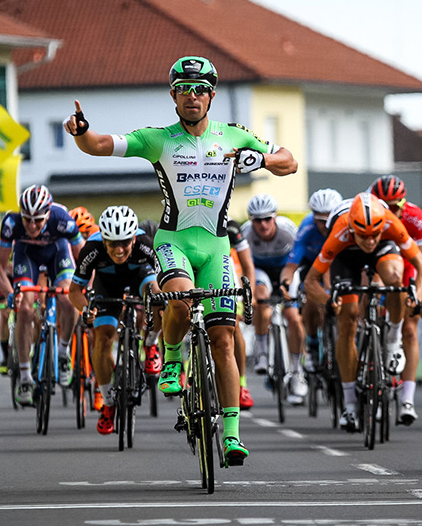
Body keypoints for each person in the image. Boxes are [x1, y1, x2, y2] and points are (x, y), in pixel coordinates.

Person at [64, 56, 297, 465]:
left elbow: (289, 162)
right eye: (185, 89)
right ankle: (172, 357)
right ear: (173, 94)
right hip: (174, 243)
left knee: (224, 338)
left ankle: (231, 435)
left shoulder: (235, 136)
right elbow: (100, 145)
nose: (193, 96)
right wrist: (82, 132)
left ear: (212, 94)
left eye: (201, 89)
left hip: (217, 248)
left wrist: (259, 159)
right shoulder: (159, 139)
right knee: (181, 299)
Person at [304, 192, 422, 432]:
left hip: (387, 248)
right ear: (353, 228)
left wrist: (418, 296)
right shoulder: (340, 231)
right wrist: (328, 299)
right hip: (346, 255)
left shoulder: (390, 224)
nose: (370, 240)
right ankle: (350, 404)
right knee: (348, 318)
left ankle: (393, 340)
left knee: (395, 280)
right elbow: (310, 282)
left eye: (374, 234)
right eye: (365, 236)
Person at [0, 185, 85, 406]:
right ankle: (25, 377)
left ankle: (63, 353)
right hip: (27, 257)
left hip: (58, 254)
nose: (32, 225)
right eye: (27, 220)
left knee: (67, 298)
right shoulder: (10, 224)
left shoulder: (62, 219)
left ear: (48, 214)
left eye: (38, 220)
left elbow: (83, 259)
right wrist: (10, 294)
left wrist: (83, 289)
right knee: (24, 308)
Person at [69, 206, 159, 435]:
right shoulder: (92, 248)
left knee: (157, 296)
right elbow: (74, 291)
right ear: (104, 240)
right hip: (107, 283)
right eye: (112, 244)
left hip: (140, 274)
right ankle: (109, 403)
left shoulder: (145, 244)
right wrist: (85, 310)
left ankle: (150, 345)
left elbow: (163, 280)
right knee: (103, 339)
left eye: (125, 243)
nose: (119, 250)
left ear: (133, 238)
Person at [369, 175, 422, 424]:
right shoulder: (370, 212)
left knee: (410, 329)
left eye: (396, 205)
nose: (391, 210)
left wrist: (420, 297)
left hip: (408, 268)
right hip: (378, 265)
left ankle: (407, 399)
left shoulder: (416, 217)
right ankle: (370, 378)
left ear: (403, 202)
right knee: (364, 309)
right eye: (386, 205)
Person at [242, 193, 309, 405]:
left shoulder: (288, 230)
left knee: (294, 317)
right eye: (257, 220)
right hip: (260, 271)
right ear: (251, 220)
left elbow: (299, 259)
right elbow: (244, 267)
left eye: (267, 219)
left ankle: (297, 371)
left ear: (275, 217)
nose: (262, 225)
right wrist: (249, 294)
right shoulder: (245, 233)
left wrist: (289, 286)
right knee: (261, 300)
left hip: (286, 270)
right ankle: (262, 351)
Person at [279, 188, 342, 372]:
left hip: (337, 266)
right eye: (320, 221)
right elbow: (291, 265)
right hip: (313, 266)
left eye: (330, 220)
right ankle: (313, 343)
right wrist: (285, 283)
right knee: (311, 299)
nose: (325, 226)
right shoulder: (307, 228)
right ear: (314, 217)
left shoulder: (346, 225)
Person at [226, 219, 257, 410]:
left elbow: (248, 265)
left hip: (221, 266)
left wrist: (249, 296)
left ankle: (241, 384)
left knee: (233, 324)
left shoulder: (230, 228)